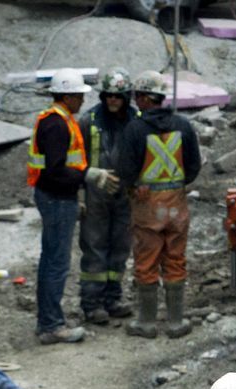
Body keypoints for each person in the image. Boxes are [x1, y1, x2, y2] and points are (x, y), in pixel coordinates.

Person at [27, 67, 120, 344]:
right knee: (56, 263)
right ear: (66, 96)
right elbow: (55, 170)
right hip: (56, 199)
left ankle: (48, 321)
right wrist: (89, 175)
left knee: (51, 260)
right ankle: (51, 326)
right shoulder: (57, 125)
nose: (82, 100)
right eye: (78, 95)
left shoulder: (56, 120)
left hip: (57, 197)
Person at [116, 70, 201, 339]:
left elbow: (126, 170)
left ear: (143, 98)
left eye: (137, 97)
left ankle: (147, 322)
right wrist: (175, 185)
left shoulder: (134, 129)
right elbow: (194, 166)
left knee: (146, 260)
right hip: (176, 204)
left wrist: (134, 187)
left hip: (147, 205)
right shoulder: (184, 125)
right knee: (176, 259)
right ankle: (176, 323)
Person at [77, 67, 137, 324]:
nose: (113, 100)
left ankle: (113, 298)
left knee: (120, 247)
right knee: (94, 246)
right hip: (95, 193)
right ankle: (91, 303)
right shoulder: (88, 120)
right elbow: (76, 160)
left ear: (126, 96)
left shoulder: (137, 120)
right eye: (109, 95)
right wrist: (81, 192)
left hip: (125, 193)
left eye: (118, 95)